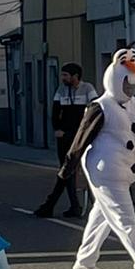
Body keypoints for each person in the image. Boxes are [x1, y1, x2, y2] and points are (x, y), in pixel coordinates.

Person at [61, 47, 135, 269]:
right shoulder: (100, 106)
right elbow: (81, 138)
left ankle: (85, 260)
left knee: (104, 215)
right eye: (127, 84)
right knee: (124, 217)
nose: (131, 89)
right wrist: (68, 166)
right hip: (105, 169)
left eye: (133, 85)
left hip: (124, 168)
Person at [33, 63, 98, 219]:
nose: (63, 78)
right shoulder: (61, 90)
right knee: (66, 170)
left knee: (66, 171)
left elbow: (94, 110)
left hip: (80, 135)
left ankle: (52, 205)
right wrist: (57, 129)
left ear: (75, 76)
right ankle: (71, 206)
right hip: (65, 136)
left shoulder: (87, 89)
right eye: (62, 75)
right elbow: (55, 111)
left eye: (66, 75)